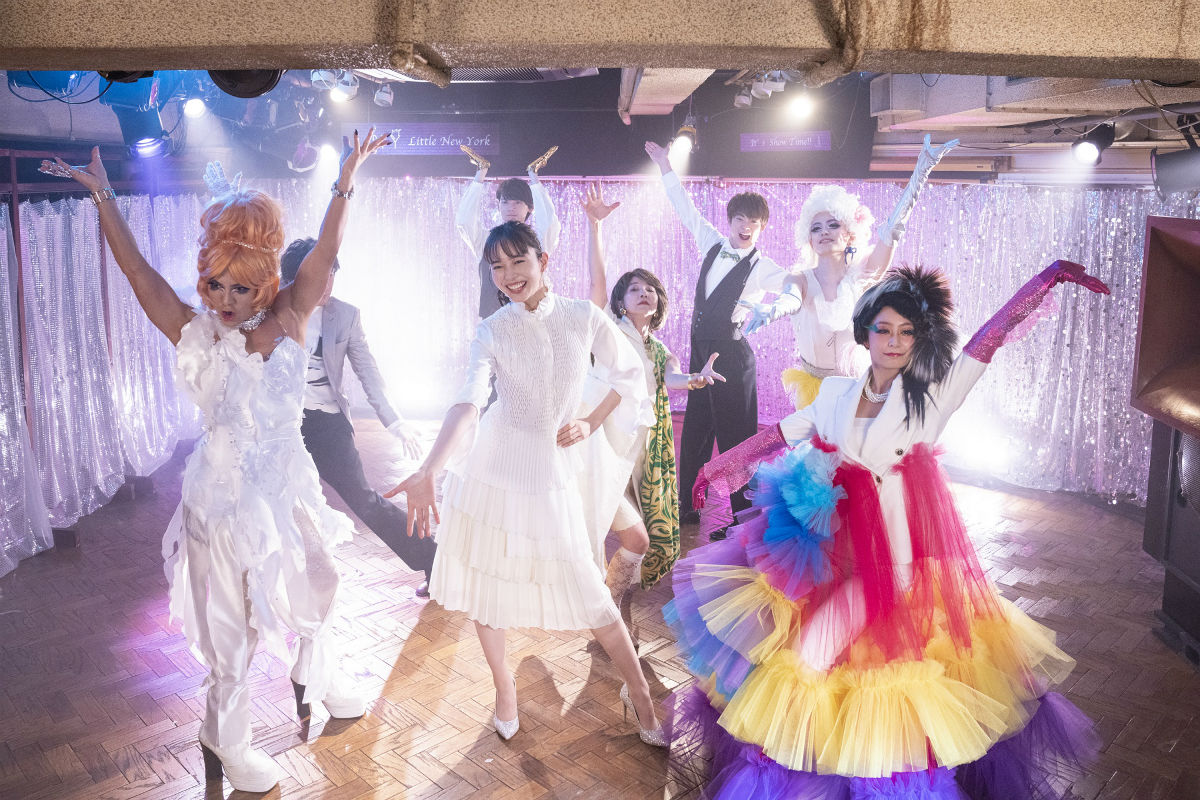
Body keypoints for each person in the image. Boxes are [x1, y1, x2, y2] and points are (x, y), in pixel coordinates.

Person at [667, 262, 1107, 798]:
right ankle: (818, 774)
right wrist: (714, 469)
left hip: (890, 568)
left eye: (906, 331)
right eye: (884, 329)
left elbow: (985, 344)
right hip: (829, 556)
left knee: (811, 662)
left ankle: (833, 776)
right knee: (810, 665)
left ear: (919, 338)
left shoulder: (932, 396)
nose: (895, 341)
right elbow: (779, 434)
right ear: (865, 333)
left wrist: (1042, 283)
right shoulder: (835, 393)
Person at [44, 129, 392, 794]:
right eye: (215, 284)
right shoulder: (193, 330)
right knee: (235, 631)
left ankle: (316, 672)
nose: (225, 299)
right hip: (224, 499)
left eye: (240, 287)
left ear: (266, 285)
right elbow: (140, 274)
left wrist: (346, 180)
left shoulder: (291, 316)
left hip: (286, 483)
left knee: (318, 578)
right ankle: (226, 740)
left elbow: (325, 252)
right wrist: (104, 198)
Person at [386, 221, 666, 746]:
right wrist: (430, 467)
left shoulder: (583, 316)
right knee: (489, 587)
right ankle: (504, 688)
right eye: (497, 266)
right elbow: (469, 402)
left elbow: (630, 376)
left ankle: (642, 697)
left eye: (519, 261)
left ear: (543, 261)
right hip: (494, 469)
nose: (509, 275)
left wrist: (591, 421)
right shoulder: (492, 329)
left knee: (589, 585)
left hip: (551, 467)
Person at [580, 182, 724, 625]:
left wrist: (696, 378)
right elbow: (597, 285)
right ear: (621, 303)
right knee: (595, 525)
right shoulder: (608, 330)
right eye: (634, 289)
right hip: (602, 444)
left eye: (650, 290)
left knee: (641, 533)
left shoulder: (659, 350)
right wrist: (595, 228)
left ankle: (611, 598)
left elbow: (671, 378)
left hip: (643, 448)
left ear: (659, 302)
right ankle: (599, 602)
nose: (644, 293)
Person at [740, 135, 959, 410]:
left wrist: (921, 171)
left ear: (849, 233)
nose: (824, 232)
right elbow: (790, 298)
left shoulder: (863, 274)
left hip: (858, 389)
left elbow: (892, 229)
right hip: (815, 392)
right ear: (809, 239)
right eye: (816, 228)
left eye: (832, 225)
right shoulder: (801, 278)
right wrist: (774, 310)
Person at [278, 237, 437, 598]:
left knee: (363, 498)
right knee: (272, 501)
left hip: (327, 423)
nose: (326, 286)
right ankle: (270, 588)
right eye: (317, 278)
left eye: (331, 275)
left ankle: (434, 559)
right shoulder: (272, 308)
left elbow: (368, 372)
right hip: (281, 426)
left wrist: (395, 421)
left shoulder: (346, 315)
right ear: (292, 280)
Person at [644, 140, 789, 533]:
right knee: (695, 430)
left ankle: (743, 518)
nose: (746, 226)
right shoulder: (712, 243)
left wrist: (778, 308)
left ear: (762, 227)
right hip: (700, 351)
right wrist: (665, 165)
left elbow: (797, 287)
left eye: (754, 222)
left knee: (736, 439)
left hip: (732, 357)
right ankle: (688, 506)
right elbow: (684, 208)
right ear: (730, 221)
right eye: (740, 218)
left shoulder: (763, 267)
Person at [455, 145, 561, 319]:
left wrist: (533, 177)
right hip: (494, 321)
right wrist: (480, 173)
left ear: (530, 208)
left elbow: (549, 222)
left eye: (517, 203)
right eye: (505, 203)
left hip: (532, 320)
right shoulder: (487, 240)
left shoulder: (536, 241)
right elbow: (464, 221)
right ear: (498, 206)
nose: (511, 208)